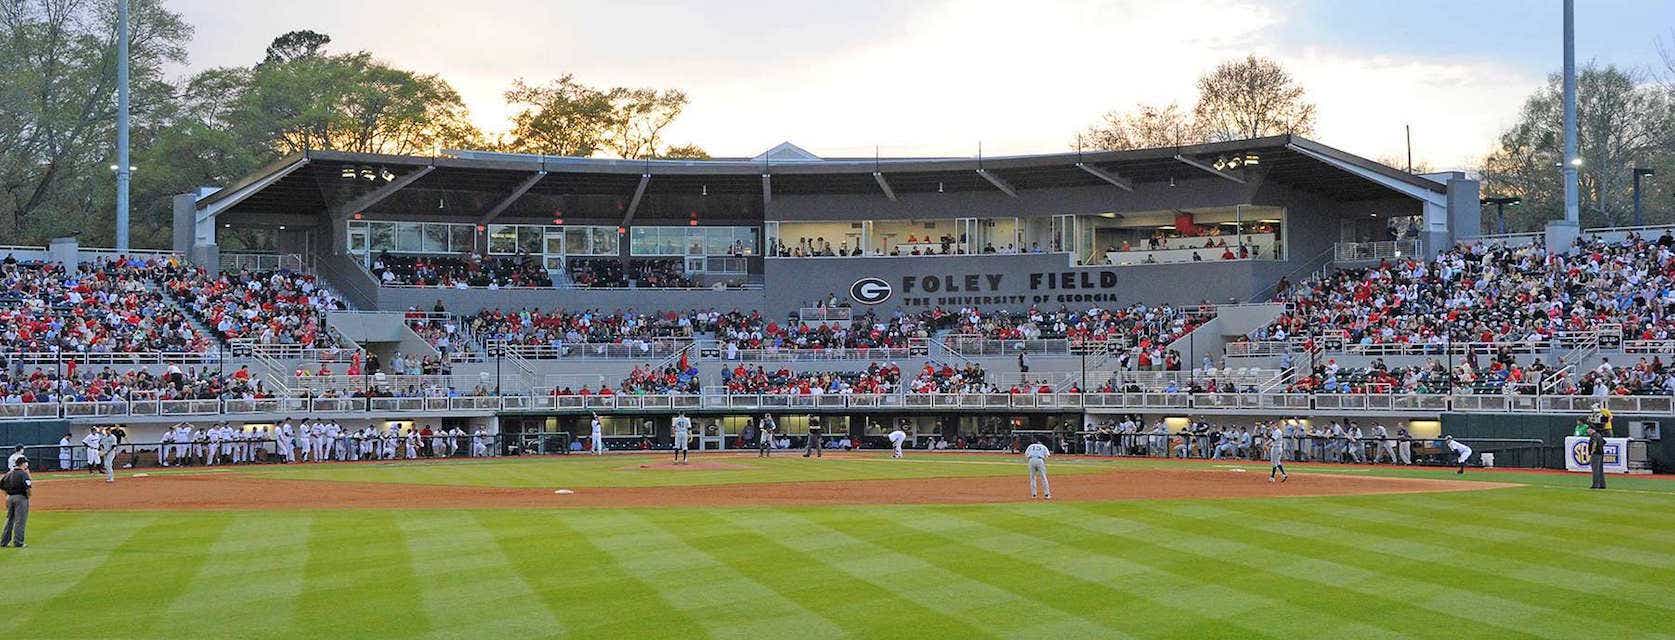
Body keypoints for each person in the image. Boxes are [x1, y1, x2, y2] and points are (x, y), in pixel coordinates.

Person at [0, 458, 29, 548]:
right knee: (20, 520)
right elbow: (28, 488)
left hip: (10, 498)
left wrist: (8, 495)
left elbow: (1, 485)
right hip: (21, 498)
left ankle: (4, 542)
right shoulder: (23, 474)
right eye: (26, 463)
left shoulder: (8, 473)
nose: (27, 465)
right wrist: (27, 496)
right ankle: (18, 542)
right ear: (22, 464)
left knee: (9, 520)